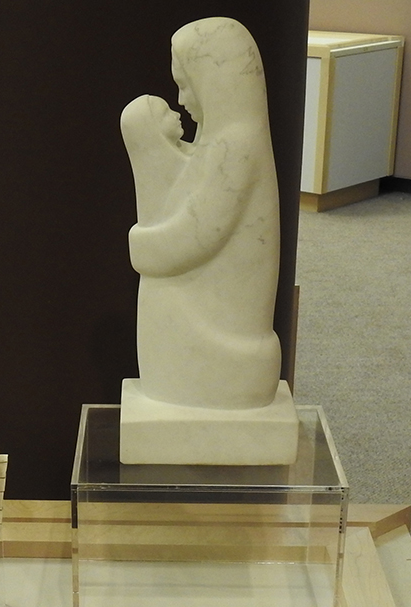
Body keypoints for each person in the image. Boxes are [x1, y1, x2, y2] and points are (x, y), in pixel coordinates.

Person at [123, 17, 283, 411]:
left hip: (225, 341)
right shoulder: (222, 143)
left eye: (185, 84)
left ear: (212, 79)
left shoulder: (236, 145)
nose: (181, 99)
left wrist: (139, 245)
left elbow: (192, 239)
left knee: (158, 284)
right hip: (217, 332)